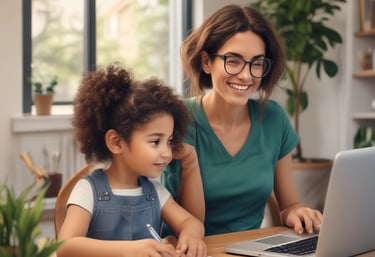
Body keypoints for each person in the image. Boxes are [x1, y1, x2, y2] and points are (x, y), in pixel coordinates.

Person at [162, 4, 323, 236]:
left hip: (249, 249)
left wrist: (298, 213)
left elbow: (289, 205)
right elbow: (162, 208)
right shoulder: (178, 120)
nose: (246, 76)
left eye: (257, 63)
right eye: (233, 61)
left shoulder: (273, 119)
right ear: (207, 62)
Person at [57, 64, 207, 257]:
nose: (167, 153)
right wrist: (132, 250)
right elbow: (65, 247)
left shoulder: (154, 192)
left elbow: (190, 222)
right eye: (155, 141)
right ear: (117, 142)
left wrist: (192, 236)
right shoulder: (88, 190)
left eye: (169, 141)